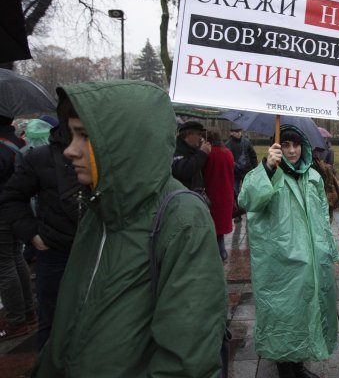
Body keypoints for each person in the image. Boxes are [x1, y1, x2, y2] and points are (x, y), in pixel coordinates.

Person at [34, 80, 227, 377]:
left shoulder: (183, 219)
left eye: (84, 136)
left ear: (125, 141)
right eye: (70, 135)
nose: (69, 151)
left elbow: (186, 362)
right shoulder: (99, 210)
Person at [239, 125, 338, 378]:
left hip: (312, 264)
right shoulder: (262, 174)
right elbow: (248, 200)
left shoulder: (313, 177)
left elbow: (323, 219)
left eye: (295, 145)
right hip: (280, 265)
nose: (291, 150)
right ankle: (286, 370)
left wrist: (329, 252)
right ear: (276, 147)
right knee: (283, 319)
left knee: (305, 316)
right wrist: (268, 168)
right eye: (285, 145)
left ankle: (298, 365)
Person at [0, 124, 81, 349]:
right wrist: (32, 234)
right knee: (52, 321)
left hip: (101, 251)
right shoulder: (40, 157)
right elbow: (13, 197)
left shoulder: (112, 154)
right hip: (55, 252)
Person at [0, 115, 34, 342]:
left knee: (3, 263)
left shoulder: (1, 146)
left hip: (2, 207)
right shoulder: (18, 142)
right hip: (18, 208)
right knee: (14, 255)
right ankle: (27, 310)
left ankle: (16, 319)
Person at [203, 130, 235, 261]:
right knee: (219, 228)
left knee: (211, 226)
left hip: (211, 194)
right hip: (226, 193)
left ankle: (218, 254)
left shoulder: (208, 153)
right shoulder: (227, 152)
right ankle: (222, 252)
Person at [172, 120, 212, 193]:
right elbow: (184, 171)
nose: (201, 138)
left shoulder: (193, 150)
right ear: (188, 134)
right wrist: (202, 153)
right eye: (198, 134)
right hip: (183, 196)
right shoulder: (177, 149)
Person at [225, 126, 258, 196]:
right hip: (235, 173)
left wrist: (255, 168)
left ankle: (246, 206)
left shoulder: (246, 142)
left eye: (239, 131)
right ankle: (236, 206)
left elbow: (253, 156)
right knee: (235, 192)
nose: (239, 133)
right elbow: (227, 161)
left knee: (248, 191)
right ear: (231, 133)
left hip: (247, 171)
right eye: (236, 132)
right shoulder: (227, 145)